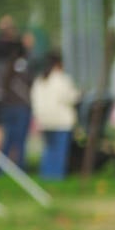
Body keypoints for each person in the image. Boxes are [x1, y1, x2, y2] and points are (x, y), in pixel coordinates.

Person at [0, 15, 33, 170]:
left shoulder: (9, 61)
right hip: (16, 105)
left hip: (10, 104)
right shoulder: (7, 59)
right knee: (15, 139)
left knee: (11, 139)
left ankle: (4, 169)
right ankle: (17, 169)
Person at [30, 51, 81, 181]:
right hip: (61, 121)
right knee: (60, 152)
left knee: (48, 150)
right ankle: (57, 176)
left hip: (45, 120)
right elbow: (71, 97)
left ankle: (46, 175)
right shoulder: (62, 79)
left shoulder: (39, 80)